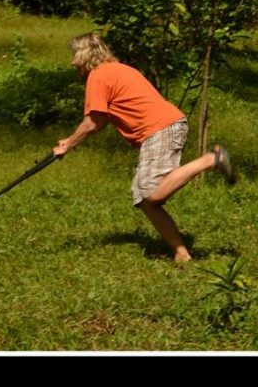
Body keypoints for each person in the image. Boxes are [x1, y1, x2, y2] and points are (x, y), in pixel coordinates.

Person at [52, 32, 234, 262]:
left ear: (86, 55)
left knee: (151, 193)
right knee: (145, 199)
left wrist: (67, 144)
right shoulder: (120, 69)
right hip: (164, 127)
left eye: (75, 55)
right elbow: (104, 118)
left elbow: (92, 123)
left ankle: (211, 159)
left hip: (160, 129)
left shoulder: (98, 76)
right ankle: (181, 253)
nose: (72, 61)